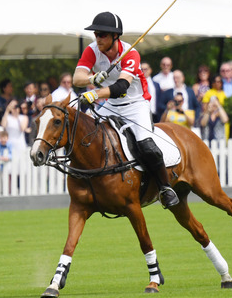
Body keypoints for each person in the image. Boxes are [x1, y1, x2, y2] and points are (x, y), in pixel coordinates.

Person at [74, 12, 179, 208]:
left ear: (115, 36)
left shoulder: (130, 53)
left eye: (102, 34)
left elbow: (121, 87)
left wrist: (96, 93)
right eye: (96, 34)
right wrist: (91, 79)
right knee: (87, 135)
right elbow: (76, 78)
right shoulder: (92, 50)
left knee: (146, 145)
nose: (97, 38)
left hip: (135, 104)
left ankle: (165, 187)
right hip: (111, 106)